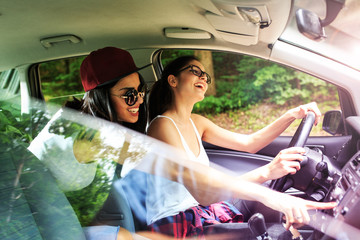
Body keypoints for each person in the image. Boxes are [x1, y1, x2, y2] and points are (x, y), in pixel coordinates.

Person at [146, 55, 335, 237]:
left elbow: (250, 143)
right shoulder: (162, 126)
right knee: (274, 228)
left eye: (206, 75)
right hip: (177, 224)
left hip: (202, 211)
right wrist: (267, 172)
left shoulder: (196, 122)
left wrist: (291, 115)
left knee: (273, 212)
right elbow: (202, 192)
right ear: (173, 80)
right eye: (195, 71)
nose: (203, 77)